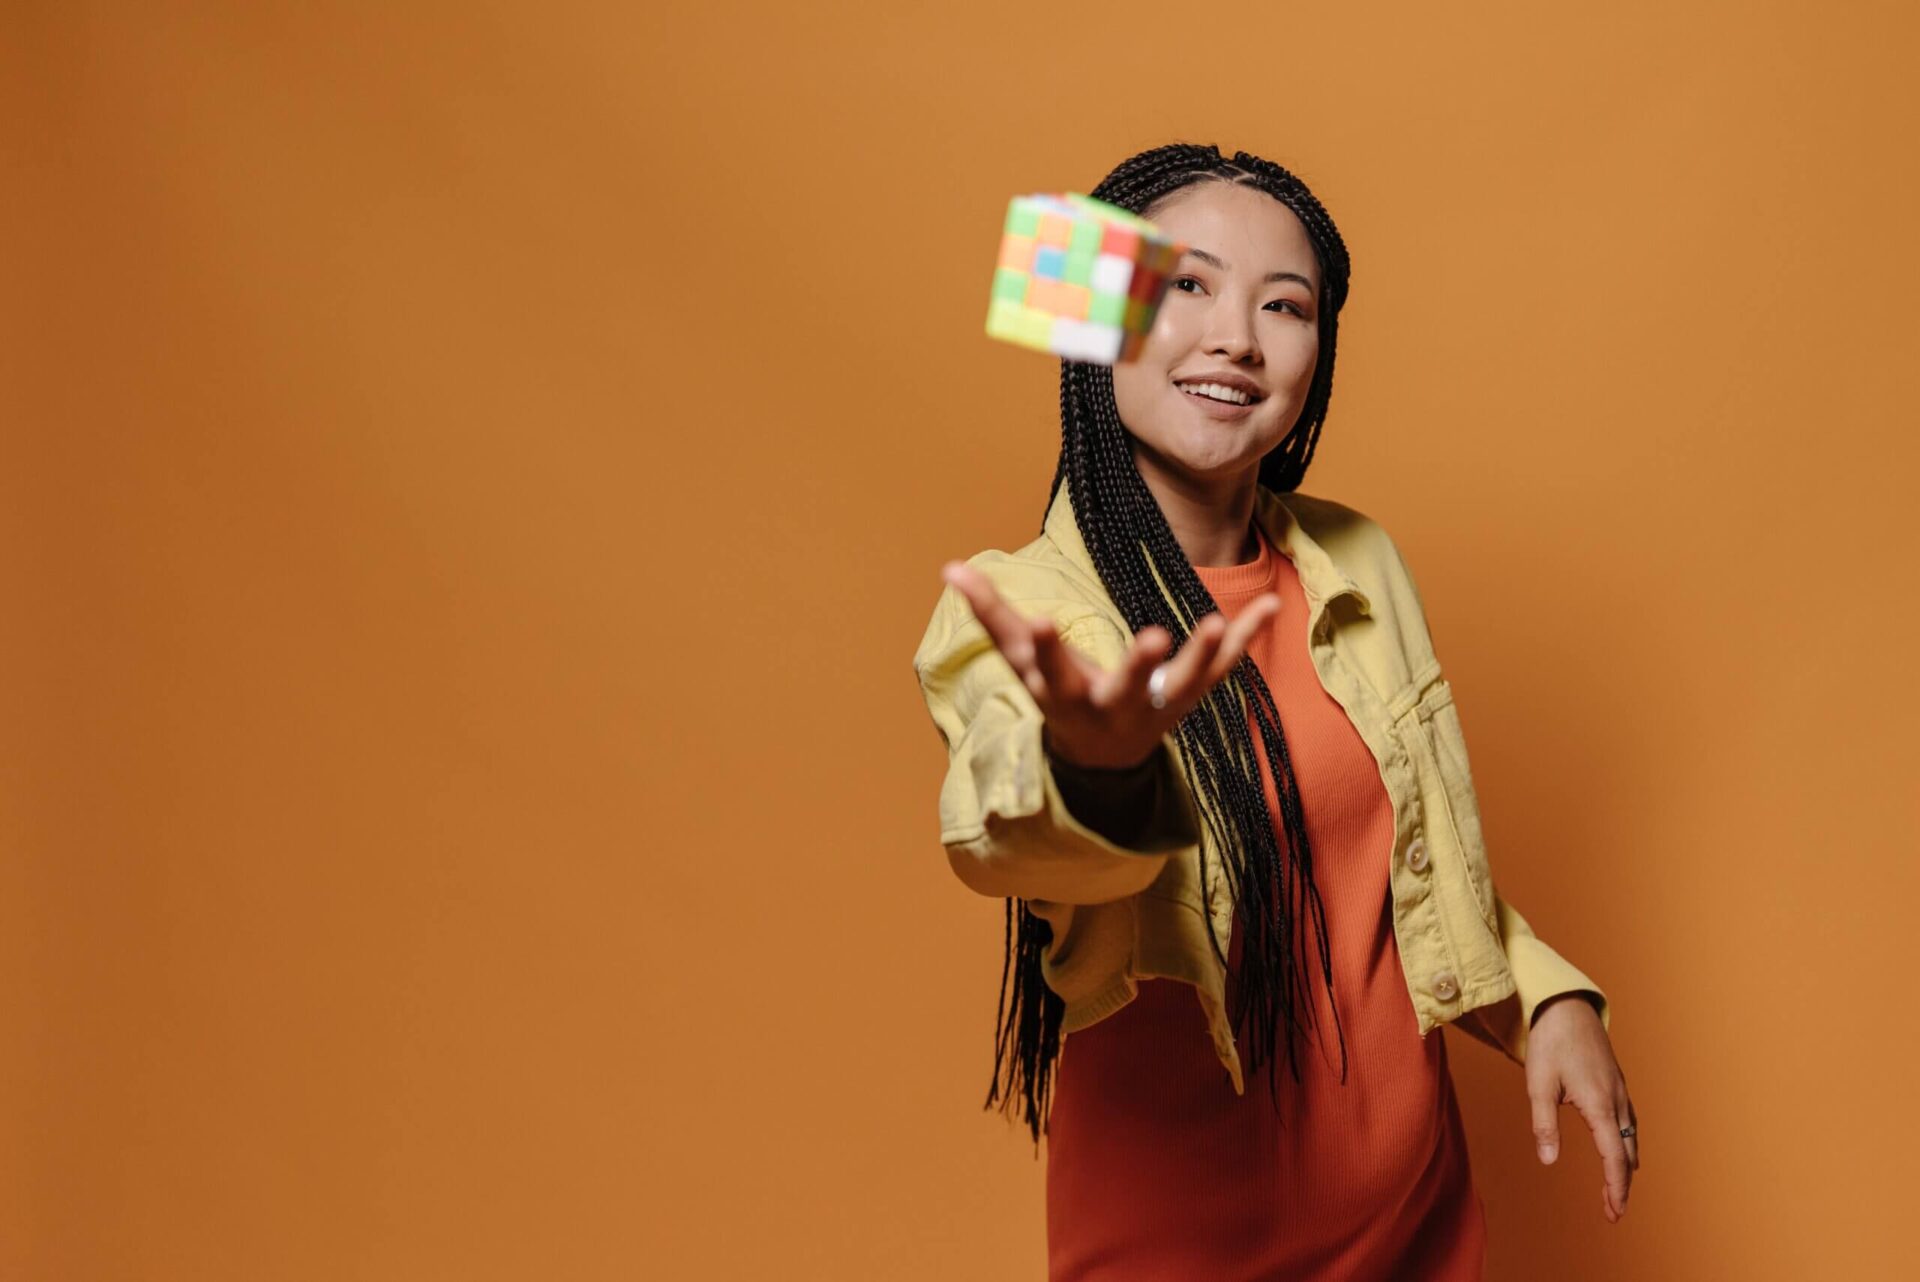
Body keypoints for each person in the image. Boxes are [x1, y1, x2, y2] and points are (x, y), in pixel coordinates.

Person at [910, 142, 1641, 1279]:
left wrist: (1544, 1000)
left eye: (1283, 305)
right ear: (1097, 320)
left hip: (1420, 1230)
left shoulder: (1360, 560)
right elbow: (1004, 838)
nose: (1236, 337)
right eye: (1184, 286)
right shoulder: (1026, 608)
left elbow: (1417, 862)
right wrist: (1095, 768)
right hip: (1181, 1250)